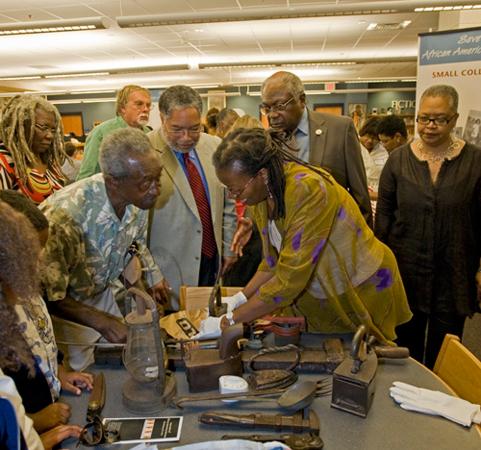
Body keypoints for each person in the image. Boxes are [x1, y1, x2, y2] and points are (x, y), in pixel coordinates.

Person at [195, 128, 412, 344]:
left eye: (237, 190)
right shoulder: (263, 194)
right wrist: (240, 298)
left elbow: (288, 279)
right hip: (324, 286)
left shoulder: (308, 189)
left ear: (262, 174)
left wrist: (228, 321)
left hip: (363, 286)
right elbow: (272, 261)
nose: (234, 197)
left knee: (360, 354)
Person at [40, 127, 166, 371]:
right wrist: (103, 322)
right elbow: (48, 296)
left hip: (100, 292)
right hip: (64, 312)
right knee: (80, 378)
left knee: (116, 366)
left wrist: (141, 296)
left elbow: (129, 247)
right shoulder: (65, 216)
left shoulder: (138, 199)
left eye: (157, 178)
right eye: (146, 183)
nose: (155, 189)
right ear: (113, 182)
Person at [375, 85, 481, 369]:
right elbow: (383, 218)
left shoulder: (475, 162)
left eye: (439, 119)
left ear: (455, 119)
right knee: (403, 350)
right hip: (406, 273)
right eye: (423, 118)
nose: (429, 126)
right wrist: (379, 273)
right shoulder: (398, 160)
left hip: (453, 271)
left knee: (444, 352)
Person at [0, 190, 93, 435]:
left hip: (48, 406)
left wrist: (60, 373)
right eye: (30, 254)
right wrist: (33, 422)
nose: (39, 261)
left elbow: (42, 338)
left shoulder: (23, 284)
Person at [147, 86, 237, 310]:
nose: (186, 138)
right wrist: (150, 273)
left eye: (194, 129)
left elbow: (228, 202)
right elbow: (132, 228)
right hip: (168, 272)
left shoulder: (214, 146)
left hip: (212, 262)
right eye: (177, 129)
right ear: (162, 118)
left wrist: (228, 249)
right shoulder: (144, 150)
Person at [261, 71, 372, 226]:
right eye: (267, 107)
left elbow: (360, 196)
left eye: (279, 106)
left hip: (332, 235)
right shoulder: (267, 141)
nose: (272, 115)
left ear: (302, 100)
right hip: (287, 238)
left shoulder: (340, 129)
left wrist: (362, 243)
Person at [0, 95, 66, 204]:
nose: (50, 135)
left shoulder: (47, 160)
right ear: (21, 126)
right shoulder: (4, 163)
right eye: (43, 128)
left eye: (53, 130)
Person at [77, 84, 152, 179]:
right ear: (122, 108)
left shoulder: (148, 133)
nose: (145, 109)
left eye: (148, 105)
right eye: (139, 104)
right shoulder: (101, 132)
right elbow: (86, 174)